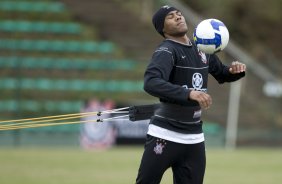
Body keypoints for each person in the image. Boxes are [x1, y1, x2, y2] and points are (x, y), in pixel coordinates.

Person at [135, 5, 246, 184]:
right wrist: (188, 93)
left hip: (194, 138)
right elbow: (151, 82)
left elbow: (222, 74)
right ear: (162, 28)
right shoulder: (166, 51)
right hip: (164, 134)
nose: (178, 17)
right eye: (171, 17)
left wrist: (235, 71)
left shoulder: (201, 47)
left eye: (179, 14)